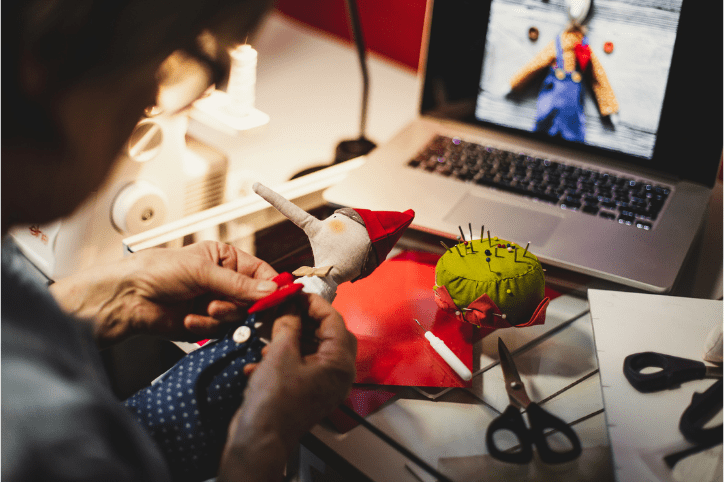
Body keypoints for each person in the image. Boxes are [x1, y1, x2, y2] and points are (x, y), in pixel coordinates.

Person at [2, 0, 357, 480]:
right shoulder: (46, 441)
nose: (153, 95)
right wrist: (259, 448)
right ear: (46, 60)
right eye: (163, 63)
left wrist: (111, 296)